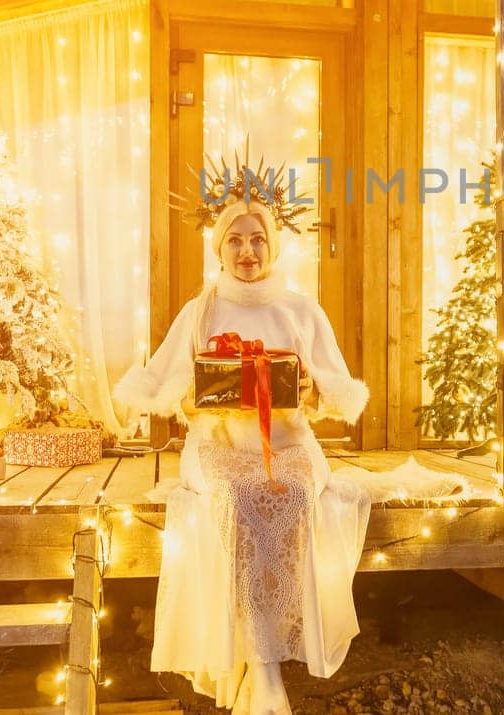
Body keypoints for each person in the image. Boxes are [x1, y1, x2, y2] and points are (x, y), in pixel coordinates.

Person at [114, 197, 371, 715]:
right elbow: (172, 394)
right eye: (235, 240)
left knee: (294, 493)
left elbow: (329, 396)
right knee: (235, 497)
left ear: (272, 246)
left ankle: (266, 657)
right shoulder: (200, 310)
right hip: (218, 446)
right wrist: (204, 396)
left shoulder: (302, 309)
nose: (247, 251)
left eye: (257, 240)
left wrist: (303, 394)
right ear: (220, 248)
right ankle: (265, 667)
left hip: (288, 445)